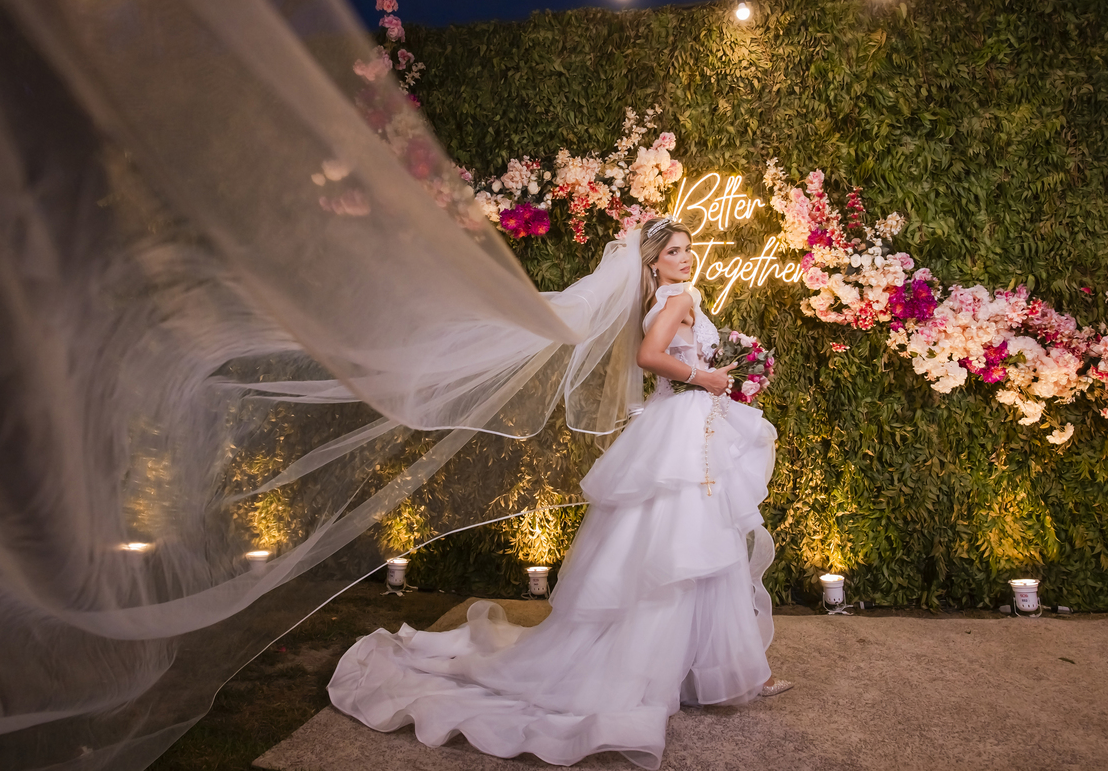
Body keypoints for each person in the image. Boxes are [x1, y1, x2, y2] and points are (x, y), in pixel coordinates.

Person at [328, 217, 787, 769]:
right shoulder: (677, 299)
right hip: (685, 428)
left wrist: (709, 374)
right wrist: (707, 378)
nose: (686, 259)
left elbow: (666, 357)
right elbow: (650, 358)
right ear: (654, 261)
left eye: (688, 250)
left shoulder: (669, 296)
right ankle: (706, 674)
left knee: (683, 548)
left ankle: (712, 671)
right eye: (674, 252)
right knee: (689, 547)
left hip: (685, 427)